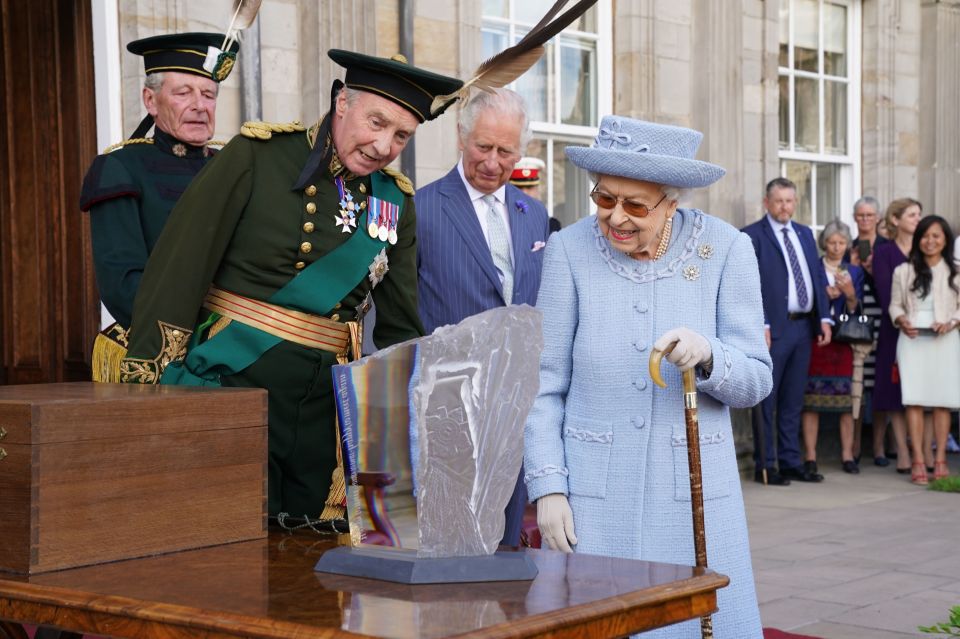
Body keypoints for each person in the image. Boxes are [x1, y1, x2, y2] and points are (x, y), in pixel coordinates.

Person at [119, 50, 463, 520]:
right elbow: (179, 269)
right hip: (231, 382)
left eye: (401, 135)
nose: (384, 145)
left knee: (305, 562)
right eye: (376, 123)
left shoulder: (394, 200)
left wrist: (412, 422)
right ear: (342, 103)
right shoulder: (260, 156)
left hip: (324, 406)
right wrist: (152, 390)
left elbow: (400, 328)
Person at [524, 116, 771, 638]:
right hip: (593, 499)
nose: (615, 217)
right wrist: (548, 488)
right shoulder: (568, 251)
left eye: (634, 205)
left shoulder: (726, 251)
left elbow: (755, 379)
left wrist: (710, 356)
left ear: (671, 201)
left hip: (691, 499)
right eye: (603, 198)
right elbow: (543, 384)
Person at [415, 88, 550, 546]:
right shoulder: (421, 208)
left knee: (510, 539)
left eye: (506, 151)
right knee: (455, 541)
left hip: (516, 403)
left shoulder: (534, 214)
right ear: (460, 136)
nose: (493, 162)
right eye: (484, 147)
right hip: (449, 406)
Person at [80, 33, 240, 381]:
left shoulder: (235, 166)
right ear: (150, 101)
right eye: (183, 93)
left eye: (209, 94)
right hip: (159, 356)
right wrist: (197, 341)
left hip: (236, 350)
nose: (200, 105)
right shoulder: (119, 167)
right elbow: (123, 285)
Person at [742, 178, 832, 485]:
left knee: (794, 399)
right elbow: (747, 286)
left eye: (789, 201)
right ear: (767, 202)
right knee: (768, 400)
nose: (785, 207)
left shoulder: (805, 234)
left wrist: (825, 319)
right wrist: (761, 323)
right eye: (779, 201)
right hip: (773, 330)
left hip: (803, 328)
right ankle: (766, 465)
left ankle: (792, 461)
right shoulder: (751, 236)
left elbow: (816, 277)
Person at [889, 215, 960, 485]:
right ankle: (918, 459)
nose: (930, 242)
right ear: (918, 239)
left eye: (936, 236)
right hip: (912, 339)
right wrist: (901, 320)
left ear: (945, 241)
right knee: (914, 400)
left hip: (945, 339)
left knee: (943, 402)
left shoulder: (955, 271)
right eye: (925, 236)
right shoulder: (903, 271)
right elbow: (894, 305)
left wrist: (951, 322)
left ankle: (940, 458)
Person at [801, 220, 864, 474]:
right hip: (816, 340)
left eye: (841, 243)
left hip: (843, 343)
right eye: (831, 242)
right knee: (810, 402)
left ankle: (848, 455)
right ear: (823, 243)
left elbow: (857, 310)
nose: (836, 247)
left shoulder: (855, 272)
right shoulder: (813, 267)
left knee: (846, 404)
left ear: (847, 245)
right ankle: (811, 456)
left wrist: (849, 294)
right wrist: (822, 294)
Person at [872, 198, 923, 475]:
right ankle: (903, 452)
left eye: (919, 215)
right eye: (912, 214)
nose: (917, 219)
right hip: (893, 328)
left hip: (925, 330)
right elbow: (884, 292)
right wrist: (902, 316)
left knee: (919, 391)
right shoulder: (884, 252)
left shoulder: (925, 248)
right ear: (895, 219)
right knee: (893, 390)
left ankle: (921, 451)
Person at [846, 196, 890, 465]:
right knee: (858, 384)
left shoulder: (886, 247)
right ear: (855, 218)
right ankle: (854, 446)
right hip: (858, 320)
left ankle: (879, 448)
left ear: (878, 218)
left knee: (879, 383)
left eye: (870, 215)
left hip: (882, 319)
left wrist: (873, 270)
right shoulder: (848, 246)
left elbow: (890, 288)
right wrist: (853, 268)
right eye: (860, 215)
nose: (865, 220)